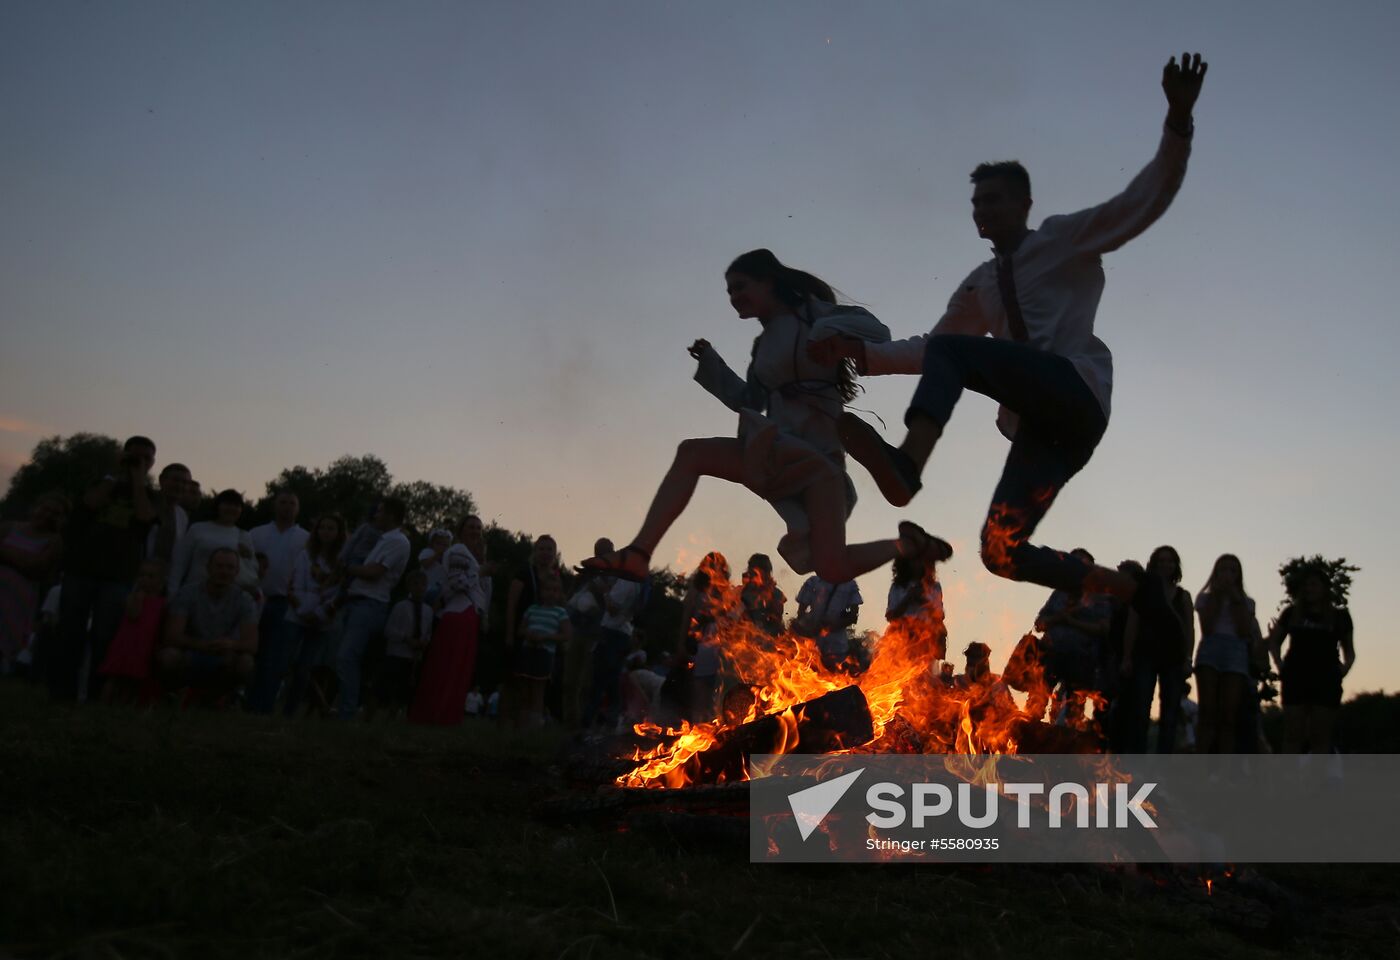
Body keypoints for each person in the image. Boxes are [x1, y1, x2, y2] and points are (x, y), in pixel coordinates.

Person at [812, 54, 1208, 611]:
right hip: (1046, 430)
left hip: (1074, 391)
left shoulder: (1061, 241)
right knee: (1000, 551)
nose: (983, 210)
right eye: (977, 202)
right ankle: (1132, 591)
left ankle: (908, 465)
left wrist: (1178, 121)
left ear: (1025, 203)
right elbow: (932, 351)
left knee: (956, 352)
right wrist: (863, 354)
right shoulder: (980, 284)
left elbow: (1139, 203)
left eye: (995, 199)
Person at [584, 249, 948, 586]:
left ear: (769, 281)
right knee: (692, 453)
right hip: (778, 449)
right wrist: (711, 362)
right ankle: (638, 553)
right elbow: (748, 400)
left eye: (740, 286)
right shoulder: (763, 346)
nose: (734, 297)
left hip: (820, 460)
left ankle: (908, 546)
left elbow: (879, 333)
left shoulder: (814, 314)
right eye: (729, 291)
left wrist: (830, 337)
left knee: (832, 568)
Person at [53, 435, 157, 701]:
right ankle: (62, 692)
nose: (140, 461)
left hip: (118, 574)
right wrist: (114, 475)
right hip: (81, 567)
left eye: (146, 458)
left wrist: (138, 480)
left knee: (105, 635)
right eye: (135, 455)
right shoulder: (101, 482)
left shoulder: (149, 494)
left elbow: (145, 517)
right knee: (70, 631)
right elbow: (89, 504)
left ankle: (95, 694)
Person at [410, 516, 490, 726]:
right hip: (458, 612)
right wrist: (480, 572)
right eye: (471, 527)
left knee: (456, 666)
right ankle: (437, 713)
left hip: (468, 612)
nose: (475, 531)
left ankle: (444, 714)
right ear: (461, 530)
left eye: (478, 528)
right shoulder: (458, 551)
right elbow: (457, 583)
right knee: (449, 666)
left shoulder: (469, 555)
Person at [336, 498, 410, 720]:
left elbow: (374, 572)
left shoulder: (397, 541)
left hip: (369, 604)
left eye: (380, 512)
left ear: (391, 515)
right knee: (347, 657)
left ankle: (347, 711)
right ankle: (347, 707)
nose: (375, 516)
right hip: (358, 601)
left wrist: (346, 568)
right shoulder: (384, 539)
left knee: (347, 657)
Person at [1268, 569, 1355, 754]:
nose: (1310, 588)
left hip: (1326, 678)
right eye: (1306, 585)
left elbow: (1349, 650)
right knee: (1293, 734)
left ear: (1324, 588)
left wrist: (1343, 669)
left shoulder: (1339, 616)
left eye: (1314, 584)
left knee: (1320, 736)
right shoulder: (1291, 613)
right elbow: (1275, 642)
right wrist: (1280, 665)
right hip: (1295, 676)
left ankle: (1316, 772)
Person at [1120, 545, 1194, 753]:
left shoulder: (1183, 596)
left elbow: (1189, 629)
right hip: (1145, 654)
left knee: (1170, 714)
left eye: (1169, 561)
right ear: (1154, 564)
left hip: (1174, 658)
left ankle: (1163, 761)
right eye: (1161, 561)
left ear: (1176, 565)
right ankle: (1138, 759)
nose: (1165, 565)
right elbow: (1133, 623)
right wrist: (1127, 657)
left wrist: (1188, 659)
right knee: (1141, 709)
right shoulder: (1143, 592)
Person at [156, 548, 259, 698]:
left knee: (246, 662)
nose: (224, 572)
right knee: (168, 656)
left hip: (224, 654)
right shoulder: (188, 593)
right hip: (190, 651)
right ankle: (173, 693)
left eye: (230, 567)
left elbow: (252, 644)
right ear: (208, 568)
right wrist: (201, 645)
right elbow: (171, 636)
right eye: (219, 566)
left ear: (237, 571)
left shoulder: (244, 599)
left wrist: (231, 645)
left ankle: (224, 698)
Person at [1193, 554, 1262, 754]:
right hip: (1211, 649)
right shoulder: (1204, 598)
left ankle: (1224, 763)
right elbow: (1207, 627)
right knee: (1207, 711)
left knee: (1229, 714)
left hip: (1236, 651)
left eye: (1232, 570)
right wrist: (1218, 596)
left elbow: (1243, 630)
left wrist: (1235, 600)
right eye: (1223, 570)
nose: (1227, 575)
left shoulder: (1247, 602)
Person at [247, 491, 309, 713]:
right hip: (255, 598)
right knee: (250, 650)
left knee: (274, 656)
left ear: (298, 509)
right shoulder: (256, 534)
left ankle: (262, 706)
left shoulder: (306, 539)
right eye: (283, 502)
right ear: (275, 505)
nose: (287, 507)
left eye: (292, 503)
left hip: (285, 603)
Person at [1034, 548, 1112, 723]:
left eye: (1082, 563)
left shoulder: (1100, 596)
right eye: (1073, 562)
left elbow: (1103, 628)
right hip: (1052, 654)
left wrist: (1072, 621)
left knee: (1073, 710)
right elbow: (1039, 624)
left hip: (1082, 658)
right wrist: (1061, 617)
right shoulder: (1059, 593)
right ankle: (1031, 728)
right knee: (1037, 700)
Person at [283, 513, 347, 717]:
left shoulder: (342, 562)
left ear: (339, 533)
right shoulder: (306, 555)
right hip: (298, 614)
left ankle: (290, 711)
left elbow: (338, 592)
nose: (326, 532)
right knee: (284, 661)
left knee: (305, 667)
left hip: (322, 620)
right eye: (322, 527)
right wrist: (303, 609)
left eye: (331, 528)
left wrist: (319, 613)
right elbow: (296, 582)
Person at [0, 492, 67, 673]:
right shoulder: (8, 527)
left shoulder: (54, 541)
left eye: (55, 513)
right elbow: (28, 562)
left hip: (20, 600)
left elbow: (35, 567)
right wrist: (23, 558)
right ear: (35, 508)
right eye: (45, 509)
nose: (48, 515)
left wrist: (5, 553)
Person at [504, 534, 561, 725]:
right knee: (516, 681)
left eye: (549, 549)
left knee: (538, 683)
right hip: (523, 632)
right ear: (535, 552)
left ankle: (531, 722)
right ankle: (507, 721)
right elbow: (512, 603)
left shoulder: (555, 577)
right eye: (542, 549)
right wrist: (510, 634)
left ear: (554, 553)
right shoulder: (524, 573)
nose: (545, 553)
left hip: (545, 640)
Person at [675, 552, 737, 723]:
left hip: (723, 647)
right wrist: (681, 644)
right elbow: (686, 618)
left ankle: (717, 724)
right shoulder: (697, 589)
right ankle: (699, 726)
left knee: (720, 692)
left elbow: (732, 619)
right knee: (701, 690)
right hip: (702, 645)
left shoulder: (726, 590)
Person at [98, 558, 166, 704]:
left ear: (160, 581)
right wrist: (139, 599)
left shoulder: (161, 602)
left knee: (132, 680)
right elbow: (133, 614)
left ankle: (125, 704)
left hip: (144, 645)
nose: (145, 579)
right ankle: (104, 702)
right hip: (126, 643)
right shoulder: (132, 597)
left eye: (150, 576)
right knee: (115, 677)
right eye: (142, 575)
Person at [167, 490, 259, 596]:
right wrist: (172, 593)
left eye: (236, 505)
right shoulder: (197, 529)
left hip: (228, 598)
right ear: (218, 506)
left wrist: (247, 557)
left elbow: (252, 570)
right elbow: (180, 563)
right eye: (227, 504)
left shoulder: (244, 536)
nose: (232, 508)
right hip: (195, 594)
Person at [513, 570, 571, 729]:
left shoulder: (560, 612)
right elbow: (521, 629)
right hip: (528, 651)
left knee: (538, 690)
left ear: (559, 593)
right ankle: (521, 725)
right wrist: (529, 634)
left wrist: (546, 637)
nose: (551, 593)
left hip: (544, 654)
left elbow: (566, 635)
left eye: (555, 590)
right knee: (524, 689)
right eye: (547, 589)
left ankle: (534, 726)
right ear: (541, 591)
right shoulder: (532, 609)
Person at [375, 569, 432, 720]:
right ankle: (372, 712)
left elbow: (428, 632)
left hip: (414, 657)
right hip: (397, 653)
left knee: (404, 689)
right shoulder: (400, 606)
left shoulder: (428, 610)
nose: (419, 588)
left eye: (423, 584)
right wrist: (406, 638)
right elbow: (389, 630)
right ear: (409, 587)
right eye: (415, 584)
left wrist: (424, 642)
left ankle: (394, 715)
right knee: (386, 685)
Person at [792, 572, 862, 671]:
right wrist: (810, 627)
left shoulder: (849, 585)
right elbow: (801, 614)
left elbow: (853, 617)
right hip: (819, 644)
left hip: (834, 646)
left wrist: (830, 627)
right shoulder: (813, 582)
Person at [885, 551, 946, 660]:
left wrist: (923, 600)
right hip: (901, 637)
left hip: (925, 638)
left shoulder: (934, 587)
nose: (918, 564)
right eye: (914, 560)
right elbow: (890, 616)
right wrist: (909, 598)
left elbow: (939, 616)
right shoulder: (897, 586)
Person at [145, 463, 191, 562]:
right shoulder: (145, 503)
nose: (180, 485)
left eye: (185, 483)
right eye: (176, 480)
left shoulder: (182, 516)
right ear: (162, 480)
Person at [740, 553, 786, 636]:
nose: (751, 577)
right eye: (750, 573)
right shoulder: (742, 592)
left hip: (767, 638)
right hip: (744, 635)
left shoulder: (776, 594)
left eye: (755, 574)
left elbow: (776, 620)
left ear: (765, 574)